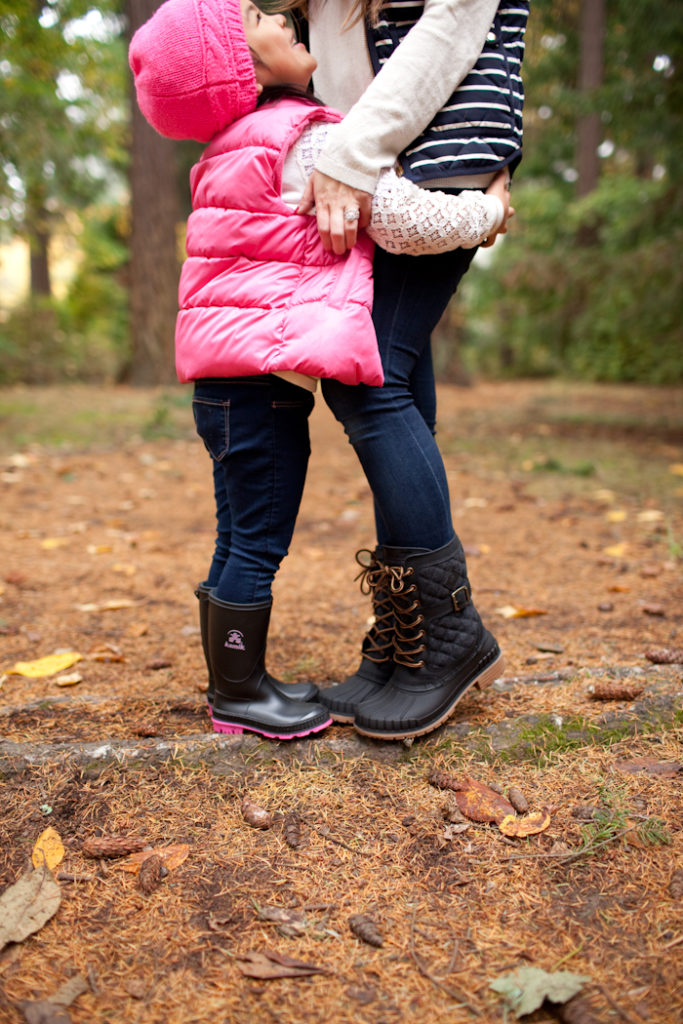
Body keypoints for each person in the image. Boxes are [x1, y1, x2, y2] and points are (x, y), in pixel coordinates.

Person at [129, 0, 513, 741]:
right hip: (264, 389)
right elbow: (399, 218)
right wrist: (483, 214)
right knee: (257, 539)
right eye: (257, 17)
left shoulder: (223, 150)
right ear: (247, 65)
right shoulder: (302, 138)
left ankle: (247, 679)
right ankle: (242, 690)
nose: (281, 15)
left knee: (237, 531)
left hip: (224, 385)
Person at [283, 0, 529, 740]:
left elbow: (449, 32)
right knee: (396, 375)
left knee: (369, 379)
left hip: (435, 154)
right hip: (386, 162)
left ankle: (448, 634)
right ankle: (406, 638)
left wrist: (347, 156)